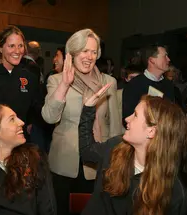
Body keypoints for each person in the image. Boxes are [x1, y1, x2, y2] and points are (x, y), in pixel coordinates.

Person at [41, 28, 121, 215]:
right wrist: (65, 84)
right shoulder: (56, 80)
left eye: (94, 52)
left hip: (97, 161)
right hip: (64, 162)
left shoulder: (108, 82)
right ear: (73, 53)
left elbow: (115, 125)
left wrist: (117, 160)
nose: (89, 56)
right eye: (84, 51)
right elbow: (49, 117)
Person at [79, 90, 187, 215]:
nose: (127, 119)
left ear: (151, 131)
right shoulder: (116, 146)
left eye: (135, 115)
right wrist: (88, 110)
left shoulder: (175, 192)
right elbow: (87, 151)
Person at [122, 43, 176, 125]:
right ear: (152, 60)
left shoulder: (169, 85)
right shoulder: (135, 84)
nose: (168, 59)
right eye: (165, 56)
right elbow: (128, 117)